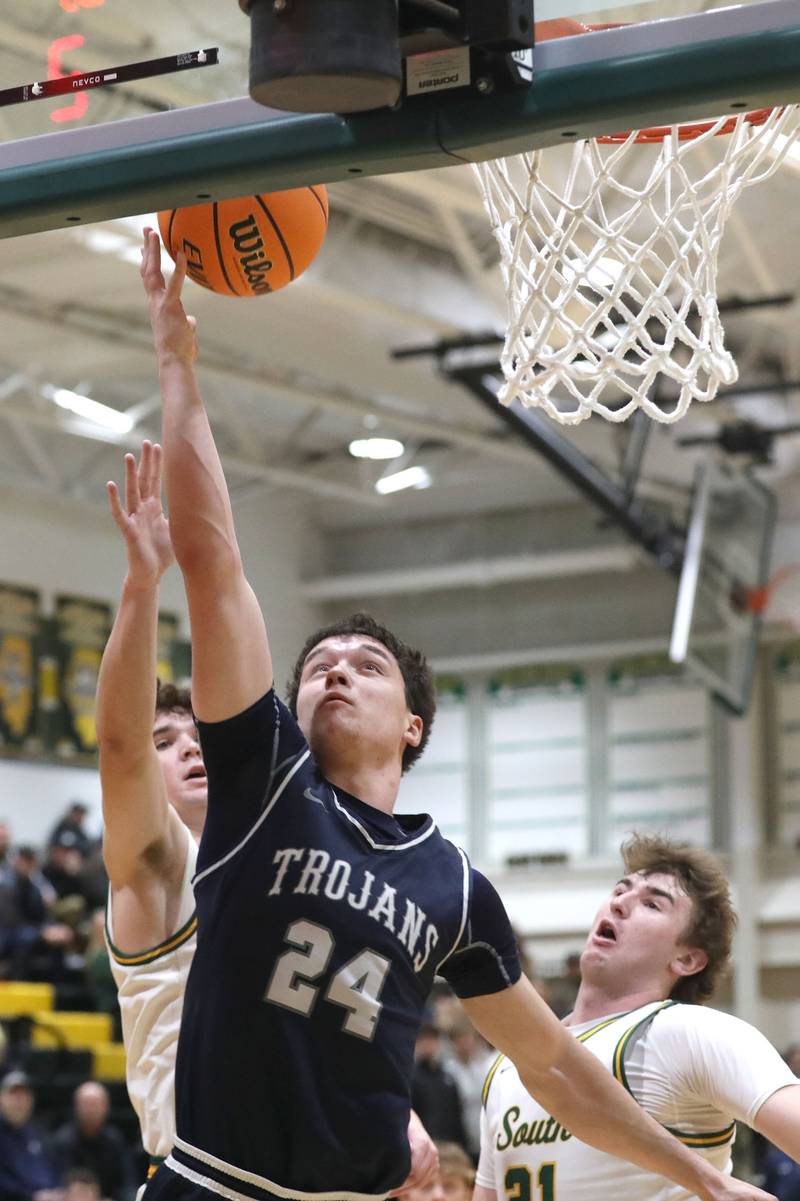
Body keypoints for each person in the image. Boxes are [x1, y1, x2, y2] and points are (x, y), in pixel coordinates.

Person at [138, 225, 775, 1201]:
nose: (333, 673)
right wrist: (179, 365)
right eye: (317, 665)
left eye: (365, 664)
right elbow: (215, 563)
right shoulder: (263, 777)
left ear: (414, 727)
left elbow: (560, 1069)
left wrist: (703, 1180)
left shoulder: (454, 887)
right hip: (215, 1183)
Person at [96, 444, 436, 1193]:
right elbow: (118, 748)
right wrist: (143, 585)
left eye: (196, 734)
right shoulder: (161, 858)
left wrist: (396, 1112)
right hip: (203, 1175)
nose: (189, 748)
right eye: (167, 741)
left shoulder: (301, 860)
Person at [476, 834, 800, 1201]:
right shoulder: (505, 1063)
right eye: (620, 890)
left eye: (652, 904)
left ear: (687, 960)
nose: (620, 903)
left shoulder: (687, 1032)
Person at [51, 1081, 133, 1201]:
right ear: (76, 1107)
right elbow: (55, 1183)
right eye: (86, 1104)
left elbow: (128, 1183)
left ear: (106, 1107)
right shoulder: (63, 1141)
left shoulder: (115, 1141)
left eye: (95, 1104)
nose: (90, 1110)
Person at [0, 1070, 60, 1201]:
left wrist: (59, 1192)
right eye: (14, 1095)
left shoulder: (39, 1134)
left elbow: (54, 1171)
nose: (19, 1102)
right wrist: (31, 1196)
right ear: (1, 1100)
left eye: (24, 1096)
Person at [412, 1019, 467, 1148]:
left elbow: (457, 1113)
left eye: (432, 1040)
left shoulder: (447, 1077)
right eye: (425, 1040)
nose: (428, 1044)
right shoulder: (411, 1077)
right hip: (425, 1144)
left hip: (450, 1144)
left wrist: (463, 1145)